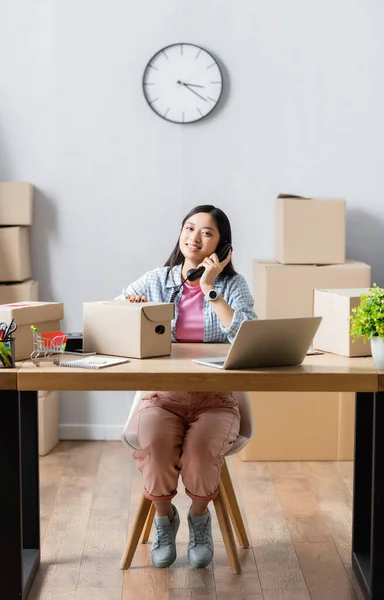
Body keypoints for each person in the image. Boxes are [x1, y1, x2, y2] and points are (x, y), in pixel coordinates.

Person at [115, 205, 257, 569]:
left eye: (207, 233)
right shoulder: (157, 280)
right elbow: (112, 315)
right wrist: (132, 312)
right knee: (157, 447)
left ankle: (198, 519)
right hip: (162, 396)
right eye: (190, 228)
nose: (195, 237)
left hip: (216, 400)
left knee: (200, 452)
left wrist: (209, 287)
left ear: (223, 247)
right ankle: (164, 519)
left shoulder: (233, 286)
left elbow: (246, 336)